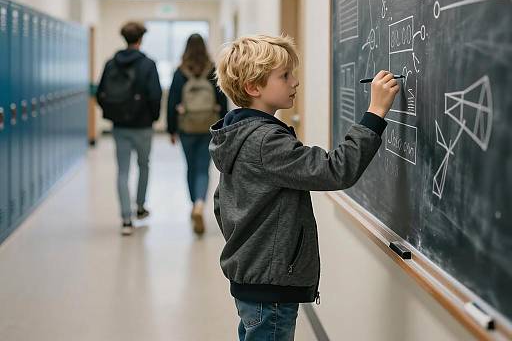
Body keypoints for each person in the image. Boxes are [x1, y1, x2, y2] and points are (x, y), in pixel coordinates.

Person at [209, 35, 399, 341]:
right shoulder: (265, 141)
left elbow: (222, 203)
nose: (295, 82)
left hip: (254, 275)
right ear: (253, 88)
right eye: (285, 76)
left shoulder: (237, 134)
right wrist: (375, 113)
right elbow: (335, 170)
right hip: (269, 284)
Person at [96, 22, 162, 236]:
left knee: (122, 170)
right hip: (142, 125)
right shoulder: (148, 64)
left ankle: (126, 219)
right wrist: (152, 117)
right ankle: (140, 207)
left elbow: (100, 94)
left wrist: (114, 113)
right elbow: (154, 95)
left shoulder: (110, 63)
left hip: (119, 126)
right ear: (140, 39)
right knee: (144, 165)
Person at [167, 34, 227, 235]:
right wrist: (225, 126)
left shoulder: (180, 72)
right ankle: (200, 203)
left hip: (187, 127)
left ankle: (194, 204)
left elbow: (171, 102)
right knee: (203, 168)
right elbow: (222, 99)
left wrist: (171, 129)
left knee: (190, 167)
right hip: (209, 126)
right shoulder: (212, 70)